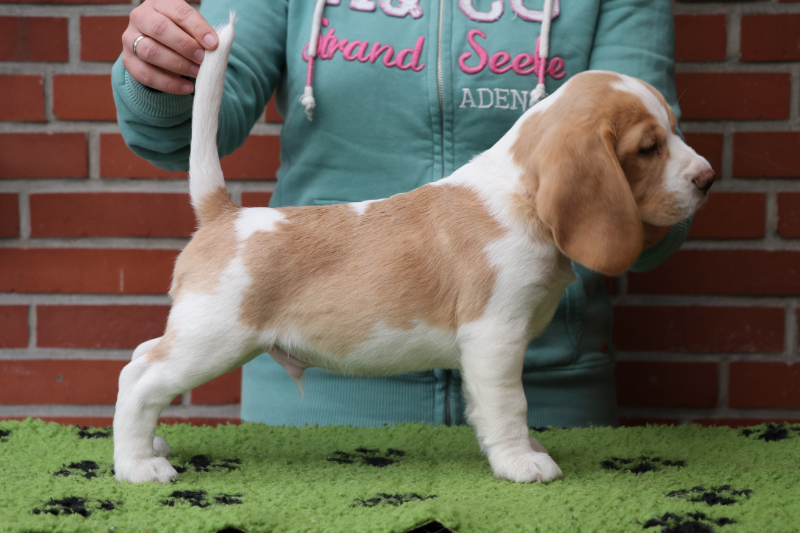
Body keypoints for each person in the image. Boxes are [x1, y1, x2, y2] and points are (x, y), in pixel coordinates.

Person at [112, 0, 684, 429]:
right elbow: (193, 115)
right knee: (181, 358)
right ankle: (139, 407)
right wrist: (164, 70)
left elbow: (647, 155)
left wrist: (641, 194)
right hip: (316, 410)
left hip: (556, 402)